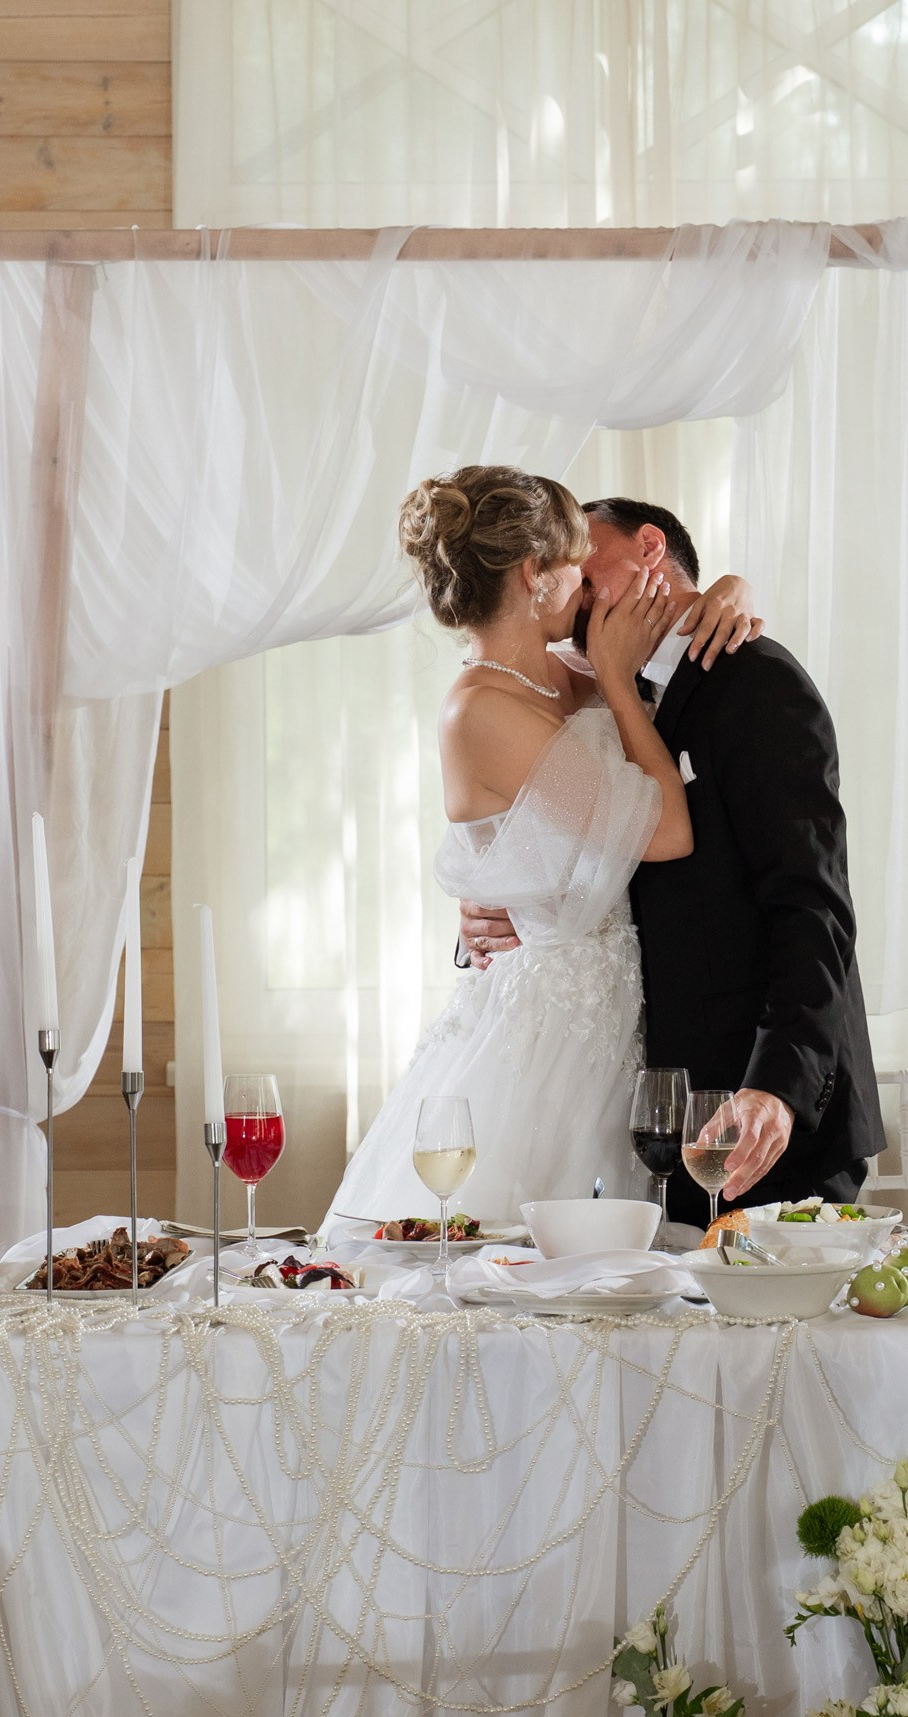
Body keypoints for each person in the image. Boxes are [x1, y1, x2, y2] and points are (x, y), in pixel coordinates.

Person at [322, 467, 759, 1232]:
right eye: (573, 566)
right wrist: (620, 686)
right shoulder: (480, 712)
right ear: (534, 575)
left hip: (623, 1023)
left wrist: (730, 587)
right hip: (545, 1039)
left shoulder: (567, 672)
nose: (586, 587)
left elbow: (669, 636)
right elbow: (667, 831)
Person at [460, 495, 883, 1223]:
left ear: (649, 546)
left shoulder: (757, 682)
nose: (573, 590)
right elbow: (534, 826)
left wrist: (777, 1089)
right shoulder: (579, 686)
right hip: (646, 1116)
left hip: (756, 1117)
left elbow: (812, 905)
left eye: (584, 567)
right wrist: (491, 911)